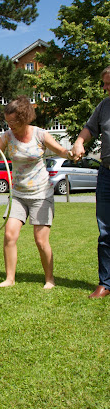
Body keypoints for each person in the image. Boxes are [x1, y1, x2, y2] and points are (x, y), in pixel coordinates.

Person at [0, 95, 73, 289]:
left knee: (40, 240)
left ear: (23, 118)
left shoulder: (40, 134)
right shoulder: (7, 136)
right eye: (7, 121)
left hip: (41, 194)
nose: (9, 124)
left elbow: (61, 151)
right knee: (10, 235)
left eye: (13, 121)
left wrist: (71, 153)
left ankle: (49, 279)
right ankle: (9, 279)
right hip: (18, 195)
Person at [71, 65, 110, 298]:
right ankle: (106, 282)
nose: (105, 88)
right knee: (105, 231)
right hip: (106, 173)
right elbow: (89, 128)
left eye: (109, 84)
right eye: (104, 83)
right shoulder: (104, 106)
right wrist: (79, 142)